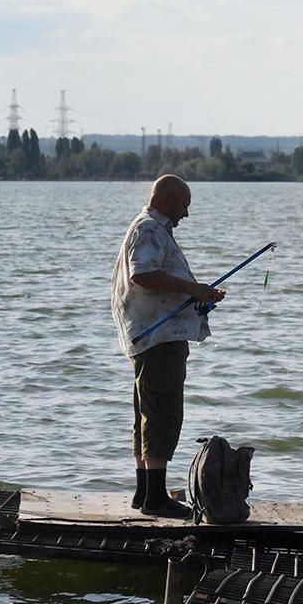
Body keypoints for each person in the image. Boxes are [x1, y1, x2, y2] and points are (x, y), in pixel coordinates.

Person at [110, 175, 225, 519]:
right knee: (162, 413)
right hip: (157, 338)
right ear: (167, 199)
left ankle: (144, 492)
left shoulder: (151, 228)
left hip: (150, 335)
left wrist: (198, 293)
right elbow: (142, 275)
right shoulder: (149, 228)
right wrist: (192, 289)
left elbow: (152, 278)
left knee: (147, 415)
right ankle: (156, 498)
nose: (186, 214)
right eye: (184, 205)